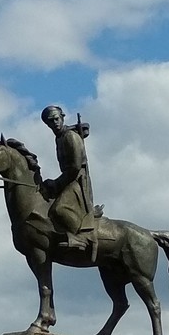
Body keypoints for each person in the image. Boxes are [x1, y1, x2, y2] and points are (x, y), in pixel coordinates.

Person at [40, 105, 98, 252]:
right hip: (68, 178)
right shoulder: (59, 138)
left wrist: (57, 183)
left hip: (77, 180)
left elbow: (75, 168)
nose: (55, 123)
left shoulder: (70, 136)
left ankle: (82, 238)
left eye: (56, 119)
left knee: (59, 209)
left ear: (62, 117)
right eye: (50, 122)